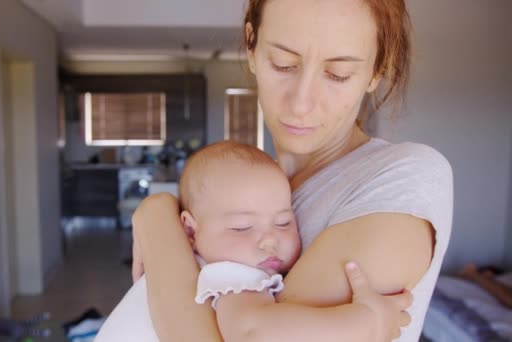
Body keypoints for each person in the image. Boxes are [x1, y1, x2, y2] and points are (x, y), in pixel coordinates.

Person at [131, 0, 454, 341]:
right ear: (252, 46)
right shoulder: (250, 187)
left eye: (338, 74)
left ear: (377, 69)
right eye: (283, 65)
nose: (301, 103)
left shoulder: (404, 176)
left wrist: (155, 220)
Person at [95, 141, 411, 341]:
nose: (268, 241)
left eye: (284, 222)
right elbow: (252, 331)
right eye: (242, 228)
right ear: (191, 232)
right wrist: (366, 324)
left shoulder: (200, 258)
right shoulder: (228, 272)